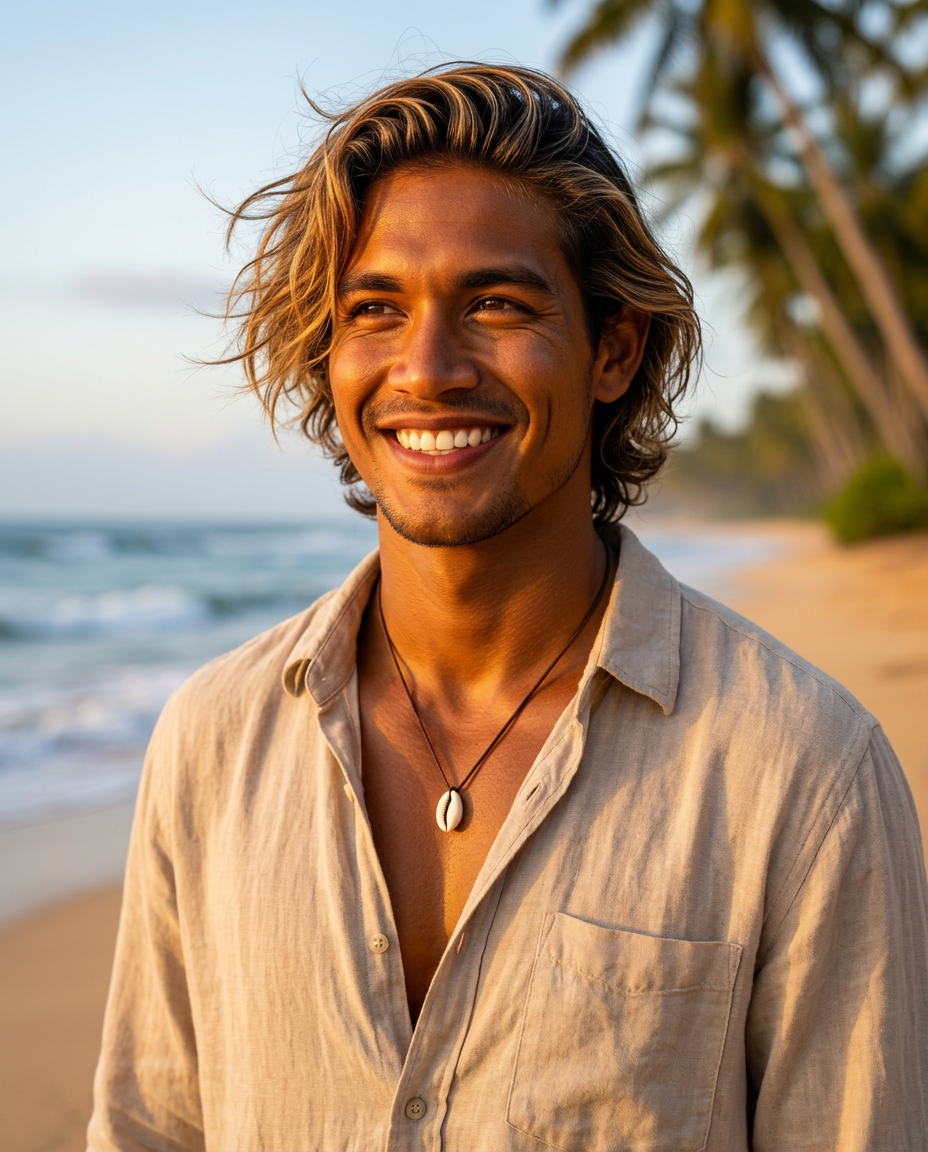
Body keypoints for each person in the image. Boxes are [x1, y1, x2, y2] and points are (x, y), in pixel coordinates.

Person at [88, 64, 928, 1151]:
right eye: (375, 310)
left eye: (496, 304)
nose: (428, 369)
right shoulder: (212, 743)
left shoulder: (802, 772)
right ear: (330, 355)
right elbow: (148, 1126)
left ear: (613, 349)